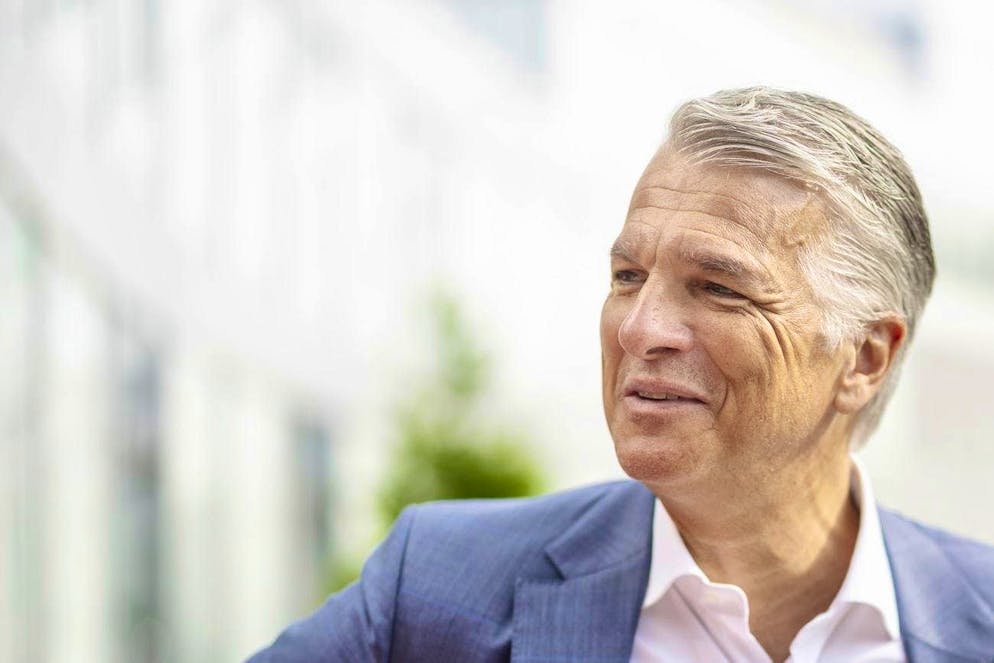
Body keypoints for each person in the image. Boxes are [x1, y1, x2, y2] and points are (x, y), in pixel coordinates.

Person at [247, 87, 994, 663]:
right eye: (628, 275)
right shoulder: (439, 588)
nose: (639, 329)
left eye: (719, 287)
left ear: (865, 357)